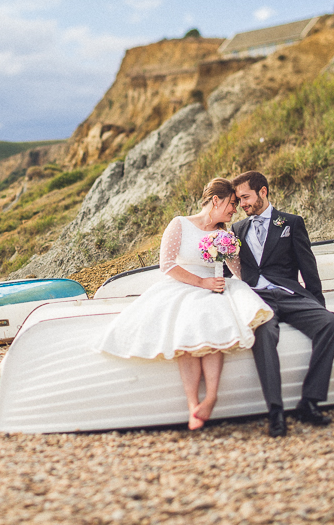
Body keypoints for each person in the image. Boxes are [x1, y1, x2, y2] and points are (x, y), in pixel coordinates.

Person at [97, 178, 273, 430]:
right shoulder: (179, 224)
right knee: (187, 332)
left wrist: (257, 274)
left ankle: (211, 397)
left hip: (214, 287)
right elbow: (167, 265)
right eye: (232, 203)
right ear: (216, 200)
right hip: (183, 286)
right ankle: (193, 405)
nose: (235, 209)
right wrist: (201, 283)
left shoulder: (225, 234)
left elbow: (238, 271)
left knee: (212, 325)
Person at [230, 171, 334, 437]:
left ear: (263, 191)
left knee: (331, 324)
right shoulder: (237, 229)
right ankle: (276, 411)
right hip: (257, 298)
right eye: (239, 199)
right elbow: (229, 271)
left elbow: (308, 266)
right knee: (265, 335)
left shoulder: (291, 222)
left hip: (289, 293)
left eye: (245, 197)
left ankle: (310, 401)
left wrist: (318, 303)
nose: (242, 204)